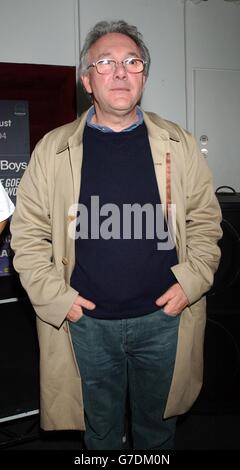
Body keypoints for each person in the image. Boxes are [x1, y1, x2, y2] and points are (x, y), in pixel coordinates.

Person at [10, 20, 222, 450]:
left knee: (157, 434)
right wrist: (59, 300)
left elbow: (205, 221)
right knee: (101, 434)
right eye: (105, 63)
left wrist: (190, 282)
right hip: (85, 326)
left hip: (165, 322)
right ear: (87, 79)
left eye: (132, 61)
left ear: (144, 74)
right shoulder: (53, 150)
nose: (120, 72)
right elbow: (26, 236)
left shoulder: (178, 145)